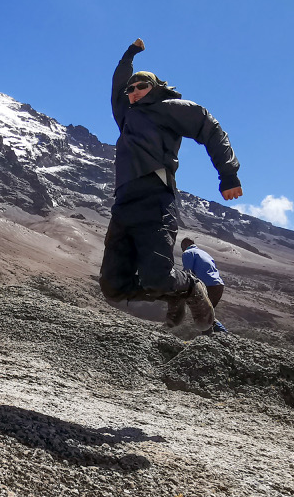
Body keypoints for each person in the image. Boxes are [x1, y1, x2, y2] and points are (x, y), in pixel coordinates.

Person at [99, 38, 243, 336]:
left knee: (156, 277)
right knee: (113, 287)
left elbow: (210, 127)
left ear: (155, 88)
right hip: (123, 204)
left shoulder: (169, 109)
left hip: (155, 199)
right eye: (131, 88)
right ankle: (174, 294)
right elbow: (117, 84)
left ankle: (191, 287)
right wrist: (129, 54)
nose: (134, 92)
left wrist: (228, 174)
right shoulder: (125, 115)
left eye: (141, 87)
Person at [176, 237, 229, 333]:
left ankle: (220, 337)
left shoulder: (188, 253)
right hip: (218, 285)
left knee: (203, 316)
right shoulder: (205, 254)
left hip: (207, 285)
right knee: (207, 315)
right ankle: (218, 337)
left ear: (184, 246)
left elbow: (187, 273)